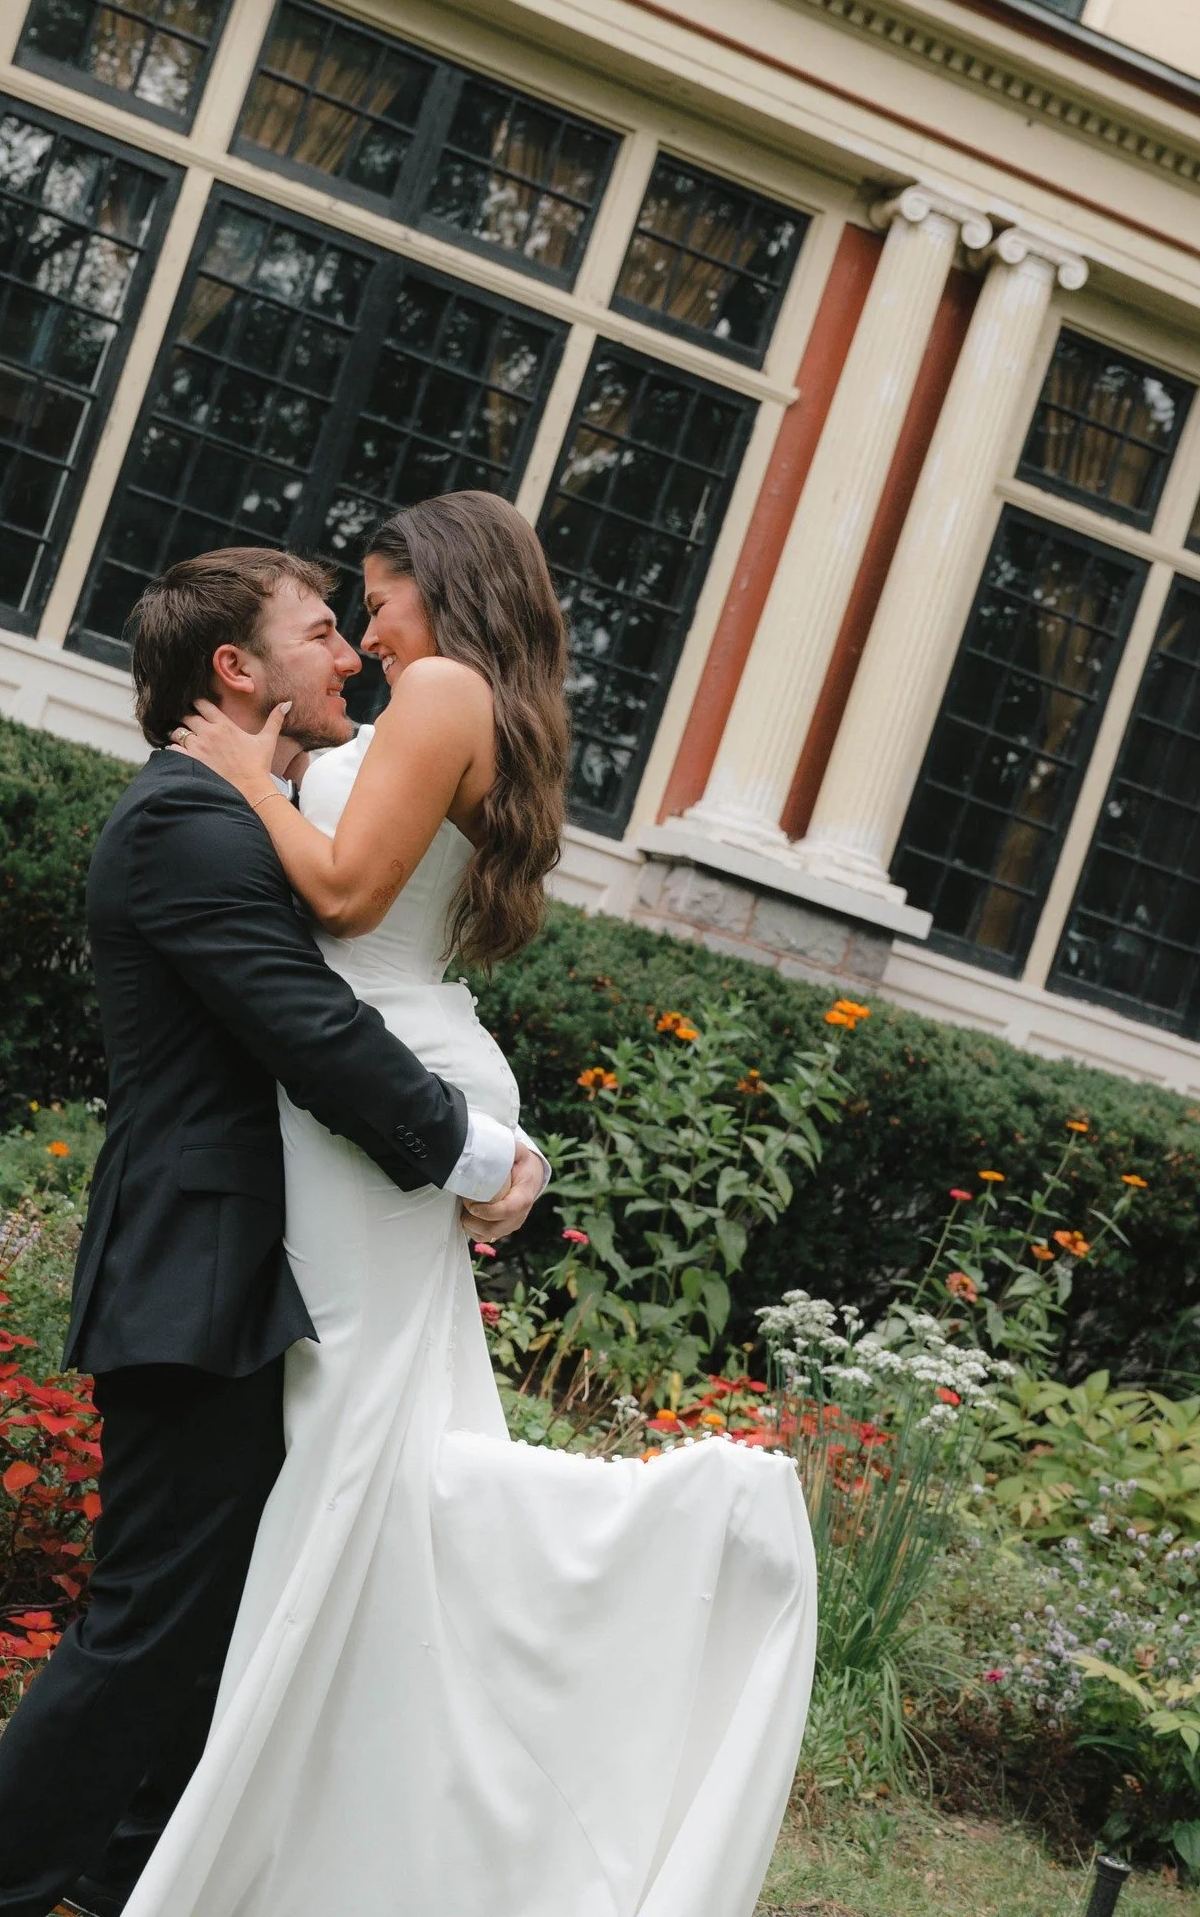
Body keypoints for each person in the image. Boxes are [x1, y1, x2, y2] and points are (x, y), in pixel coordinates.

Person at [123, 488, 817, 1917]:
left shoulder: (443, 687)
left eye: (373, 597)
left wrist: (237, 775)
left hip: (373, 1072)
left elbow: (342, 890)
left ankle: (689, 1529)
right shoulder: (444, 702)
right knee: (361, 1437)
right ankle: (315, 1815)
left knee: (356, 1438)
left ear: (437, 587)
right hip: (387, 1061)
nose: (368, 632)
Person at [0, 544, 549, 1917]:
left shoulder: (233, 812)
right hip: (194, 1274)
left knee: (205, 1634)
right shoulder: (187, 826)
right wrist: (480, 1152)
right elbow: (310, 1028)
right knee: (146, 1630)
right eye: (325, 633)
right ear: (238, 670)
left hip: (257, 1271)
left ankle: (129, 1885)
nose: (354, 657)